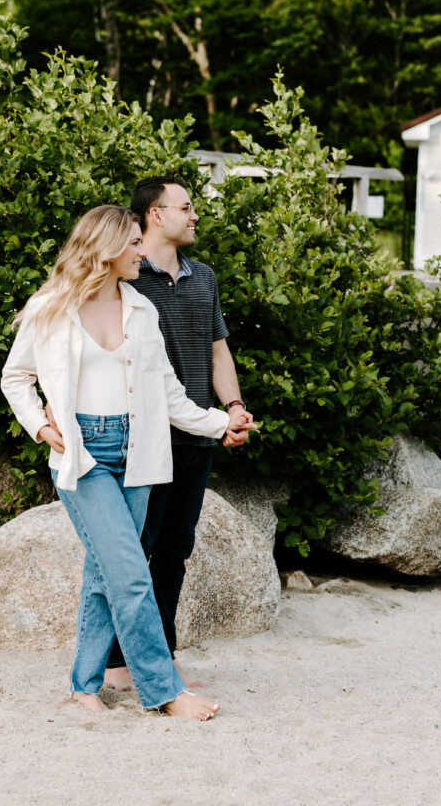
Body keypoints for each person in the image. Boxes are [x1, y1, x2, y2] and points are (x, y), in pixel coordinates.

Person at [1, 204, 238, 721]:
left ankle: (84, 684)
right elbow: (15, 378)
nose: (140, 252)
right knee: (131, 574)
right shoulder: (50, 307)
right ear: (107, 249)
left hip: (138, 454)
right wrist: (41, 427)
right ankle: (164, 690)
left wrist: (221, 424)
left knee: (105, 574)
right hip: (82, 455)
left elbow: (170, 396)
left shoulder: (141, 310)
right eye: (133, 243)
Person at [104, 175, 255, 689]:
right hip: (141, 436)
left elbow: (217, 351)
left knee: (174, 549)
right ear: (154, 214)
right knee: (134, 548)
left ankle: (160, 654)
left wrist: (233, 409)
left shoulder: (204, 277)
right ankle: (115, 663)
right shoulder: (123, 275)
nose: (194, 216)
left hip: (197, 436)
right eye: (185, 207)